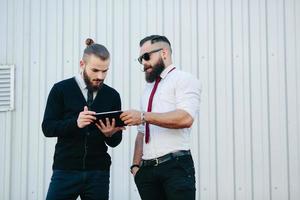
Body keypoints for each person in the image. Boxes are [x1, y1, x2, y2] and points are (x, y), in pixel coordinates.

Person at [42, 38, 124, 200]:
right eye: (95, 70)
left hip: (98, 173)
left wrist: (110, 134)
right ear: (82, 64)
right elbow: (48, 127)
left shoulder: (112, 95)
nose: (100, 76)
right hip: (65, 171)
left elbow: (115, 141)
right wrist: (76, 123)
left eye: (105, 71)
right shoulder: (61, 89)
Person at [120, 35, 201, 200]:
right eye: (140, 59)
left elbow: (185, 118)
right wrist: (136, 167)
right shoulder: (147, 89)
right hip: (147, 171)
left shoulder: (184, 79)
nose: (144, 62)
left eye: (147, 56)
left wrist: (143, 116)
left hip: (175, 167)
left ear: (164, 53)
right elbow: (142, 132)